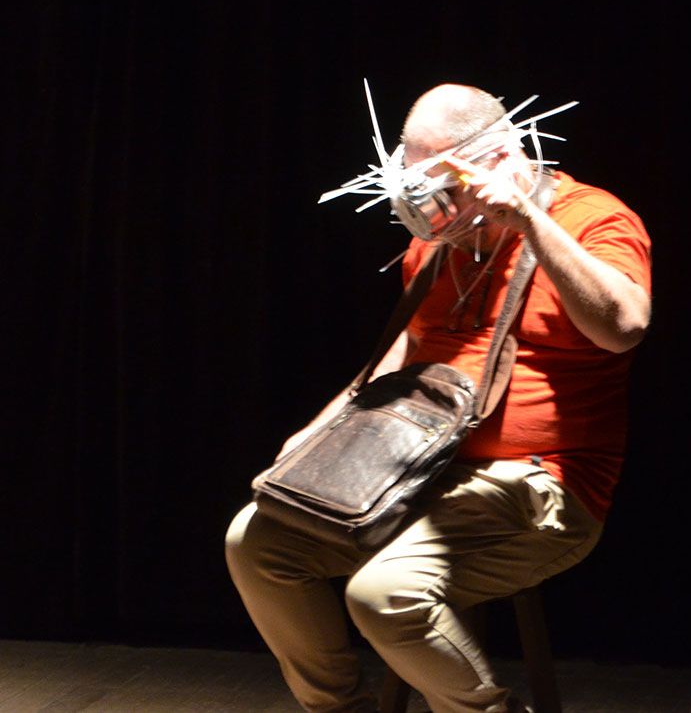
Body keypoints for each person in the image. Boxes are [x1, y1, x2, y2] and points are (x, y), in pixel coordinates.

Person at [225, 82, 652, 713]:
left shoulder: (593, 219)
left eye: (443, 184)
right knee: (257, 543)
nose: (431, 207)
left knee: (385, 593)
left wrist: (528, 219)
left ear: (503, 157)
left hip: (541, 486)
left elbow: (623, 329)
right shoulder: (438, 241)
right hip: (419, 470)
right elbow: (406, 355)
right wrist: (321, 431)